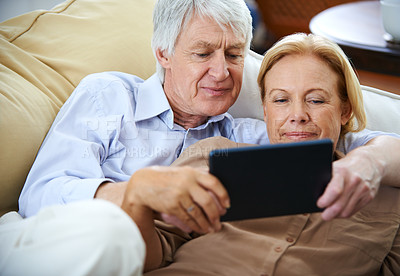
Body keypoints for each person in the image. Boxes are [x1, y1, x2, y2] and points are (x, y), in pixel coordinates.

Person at [8, 0, 399, 273]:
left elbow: (332, 142)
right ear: (163, 53)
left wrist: (371, 160)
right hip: (63, 235)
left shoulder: (245, 139)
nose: (221, 72)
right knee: (108, 235)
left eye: (233, 55)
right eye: (202, 54)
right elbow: (40, 193)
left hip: (143, 254)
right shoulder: (110, 96)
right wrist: (136, 193)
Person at [126, 33, 400, 275]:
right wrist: (136, 198)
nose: (297, 116)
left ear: (345, 110)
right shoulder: (211, 157)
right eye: (281, 100)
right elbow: (148, 258)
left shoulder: (388, 202)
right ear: (266, 110)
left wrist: (372, 161)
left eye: (316, 100)